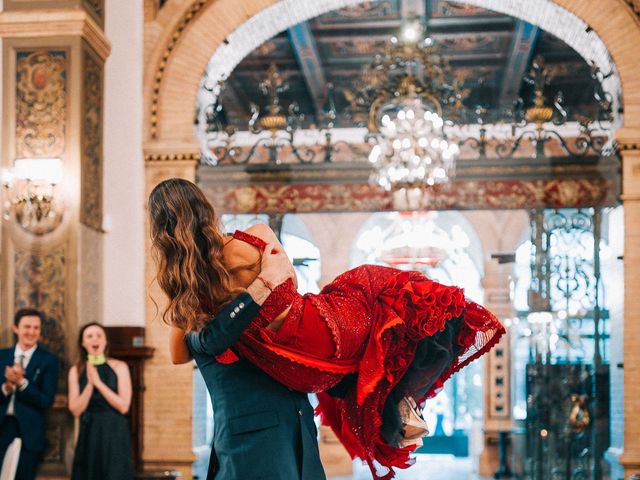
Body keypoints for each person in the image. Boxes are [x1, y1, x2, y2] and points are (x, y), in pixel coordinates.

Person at [149, 178, 505, 480]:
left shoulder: (197, 294)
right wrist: (253, 291)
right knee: (380, 306)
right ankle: (395, 404)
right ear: (205, 210)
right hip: (263, 430)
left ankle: (394, 405)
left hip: (296, 417)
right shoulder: (227, 268)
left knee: (374, 330)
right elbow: (203, 341)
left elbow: (185, 351)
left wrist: (198, 299)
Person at [168, 233, 327, 480]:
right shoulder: (203, 331)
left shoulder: (269, 327)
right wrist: (262, 285)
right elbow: (204, 341)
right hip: (252, 453)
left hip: (299, 438)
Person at [67, 322, 133, 480]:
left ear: (105, 342)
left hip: (114, 431)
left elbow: (124, 406)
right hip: (89, 431)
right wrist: (89, 384)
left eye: (99, 335)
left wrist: (98, 383)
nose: (94, 339)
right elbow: (75, 409)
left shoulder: (119, 366)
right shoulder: (76, 370)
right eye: (89, 336)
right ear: (83, 343)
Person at [0, 308, 59, 480]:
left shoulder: (49, 360)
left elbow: (45, 400)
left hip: (29, 433)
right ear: (15, 328)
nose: (31, 332)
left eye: (36, 328)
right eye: (27, 327)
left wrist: (21, 383)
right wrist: (7, 387)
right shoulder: (1, 356)